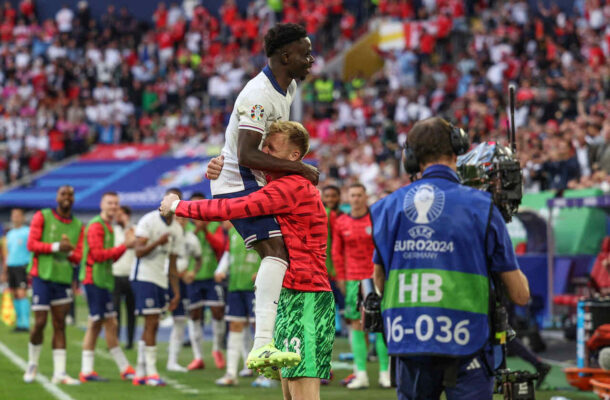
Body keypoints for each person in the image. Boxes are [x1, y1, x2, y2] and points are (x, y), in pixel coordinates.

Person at [160, 121, 334, 400]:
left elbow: (234, 207)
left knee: (302, 387)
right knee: (290, 390)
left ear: (294, 156)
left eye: (270, 148)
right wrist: (217, 169)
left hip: (307, 294)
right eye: (262, 146)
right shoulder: (279, 182)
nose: (261, 152)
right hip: (289, 293)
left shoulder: (293, 186)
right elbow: (238, 181)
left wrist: (179, 206)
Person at [370, 117, 530, 400]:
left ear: (411, 158)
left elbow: (379, 282)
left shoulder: (386, 208)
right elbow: (520, 294)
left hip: (407, 340)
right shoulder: (483, 207)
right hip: (470, 343)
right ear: (459, 149)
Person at [206, 22, 317, 370]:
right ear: (286, 55)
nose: (311, 58)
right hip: (238, 181)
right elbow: (247, 155)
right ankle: (263, 345)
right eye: (305, 51)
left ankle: (274, 336)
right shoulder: (257, 95)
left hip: (258, 179)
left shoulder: (290, 87)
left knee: (287, 253)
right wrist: (301, 169)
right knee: (277, 251)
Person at [24, 185, 85, 385]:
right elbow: (31, 244)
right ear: (56, 197)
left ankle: (59, 373)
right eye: (63, 194)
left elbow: (77, 257)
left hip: (63, 279)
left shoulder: (78, 225)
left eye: (70, 194)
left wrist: (67, 251)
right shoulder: (42, 216)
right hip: (42, 276)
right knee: (40, 322)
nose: (67, 197)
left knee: (60, 325)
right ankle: (32, 363)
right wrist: (58, 246)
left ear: (74, 198)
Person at [333, 183, 391, 389]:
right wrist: (340, 277)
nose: (356, 199)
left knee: (380, 326)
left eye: (359, 195)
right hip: (352, 281)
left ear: (366, 197)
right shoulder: (341, 222)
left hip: (375, 279)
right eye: (353, 195)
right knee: (356, 326)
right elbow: (336, 252)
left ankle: (386, 373)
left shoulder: (375, 220)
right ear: (348, 199)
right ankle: (361, 374)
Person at [79, 192, 136, 383]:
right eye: (110, 203)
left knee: (109, 323)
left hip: (104, 280)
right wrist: (125, 246)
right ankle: (89, 370)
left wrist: (125, 247)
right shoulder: (96, 225)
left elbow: (110, 257)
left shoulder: (108, 227)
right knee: (97, 324)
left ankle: (123, 368)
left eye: (116, 203)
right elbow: (97, 255)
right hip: (94, 280)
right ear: (102, 204)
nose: (113, 206)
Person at [130, 188, 182, 387]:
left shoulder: (177, 229)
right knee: (151, 322)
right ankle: (151, 372)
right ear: (163, 201)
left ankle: (140, 371)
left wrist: (175, 292)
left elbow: (174, 263)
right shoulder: (148, 220)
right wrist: (157, 242)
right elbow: (138, 252)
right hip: (143, 277)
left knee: (153, 324)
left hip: (161, 279)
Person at [182, 193, 227, 371]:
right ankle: (198, 356)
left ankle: (216, 349)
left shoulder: (215, 224)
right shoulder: (186, 228)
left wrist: (205, 230)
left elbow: (220, 247)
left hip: (211, 277)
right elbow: (182, 249)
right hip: (193, 278)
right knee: (194, 315)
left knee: (217, 313)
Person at [214, 221, 261, 387]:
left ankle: (265, 374)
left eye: (225, 217)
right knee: (235, 326)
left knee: (260, 328)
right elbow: (228, 254)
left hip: (255, 287)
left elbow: (271, 252)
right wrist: (220, 270)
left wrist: (263, 271)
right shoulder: (233, 234)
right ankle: (231, 373)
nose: (222, 221)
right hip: (235, 286)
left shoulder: (257, 226)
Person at [166, 215, 202, 372]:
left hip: (181, 283)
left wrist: (193, 272)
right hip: (162, 279)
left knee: (180, 321)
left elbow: (198, 258)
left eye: (183, 219)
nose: (180, 221)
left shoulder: (191, 238)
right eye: (177, 219)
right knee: (151, 319)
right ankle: (144, 361)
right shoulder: (166, 234)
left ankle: (172, 361)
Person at [3, 208, 31, 332]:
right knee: (14, 294)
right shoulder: (10, 234)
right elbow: (7, 253)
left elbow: (31, 250)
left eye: (18, 216)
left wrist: (30, 267)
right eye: (13, 216)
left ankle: (25, 323)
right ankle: (19, 323)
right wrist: (5, 270)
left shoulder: (27, 232)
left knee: (21, 293)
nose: (15, 218)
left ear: (23, 218)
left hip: (22, 266)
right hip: (11, 266)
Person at [112, 205, 136, 349]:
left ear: (127, 215)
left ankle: (130, 341)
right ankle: (115, 341)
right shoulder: (113, 231)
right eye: (117, 214)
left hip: (131, 275)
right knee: (115, 312)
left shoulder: (135, 229)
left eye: (121, 214)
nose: (118, 217)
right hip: (116, 274)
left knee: (131, 311)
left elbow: (136, 244)